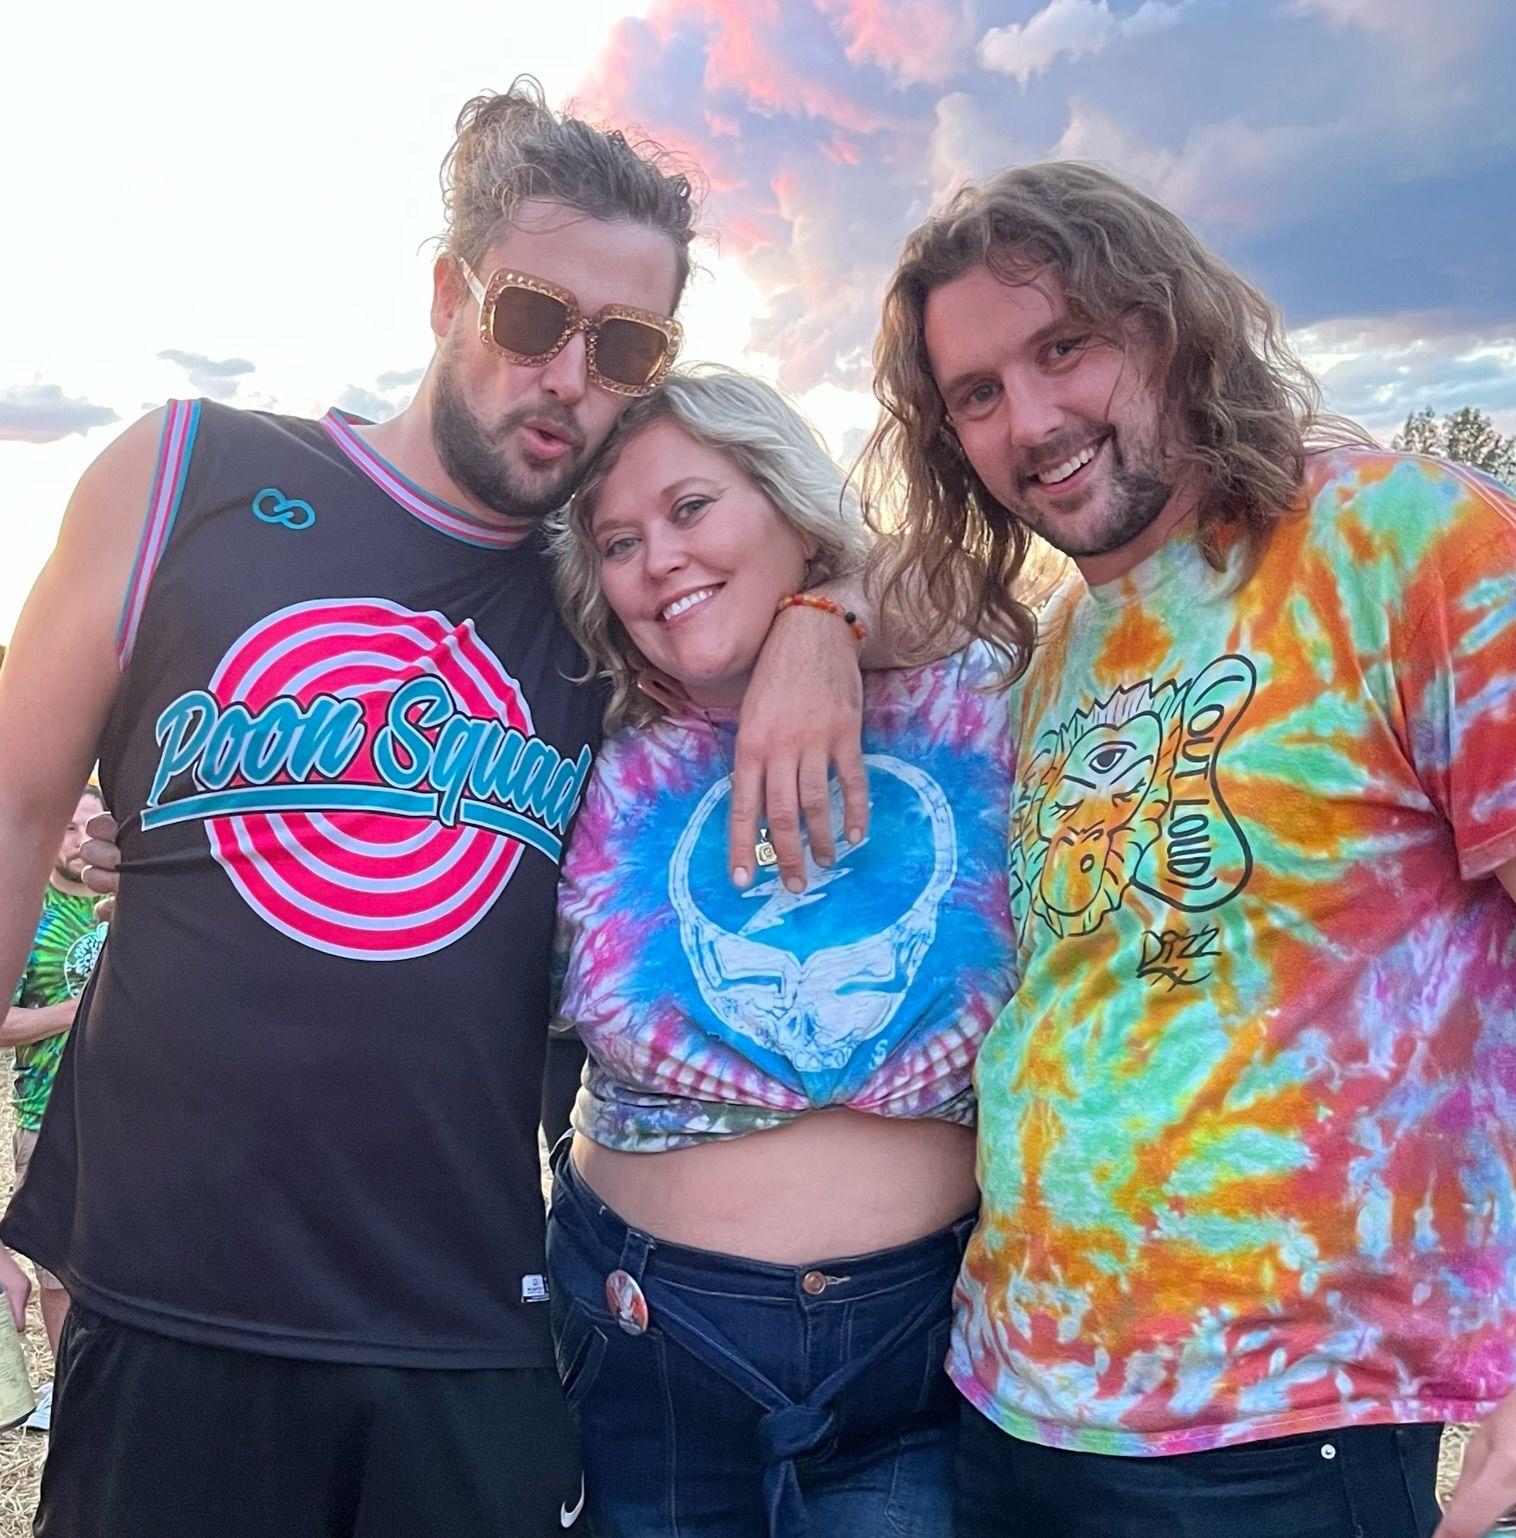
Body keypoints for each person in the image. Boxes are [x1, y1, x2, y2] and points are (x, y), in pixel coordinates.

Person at [0, 77, 885, 1538]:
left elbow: (911, 563)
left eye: (626, 346)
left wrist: (822, 612)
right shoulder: (189, 471)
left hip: (471, 1323)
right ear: (445, 295)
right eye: (535, 318)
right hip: (172, 1302)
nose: (572, 377)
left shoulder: (604, 597)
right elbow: (20, 812)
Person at [856, 160, 1516, 1538]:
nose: (1030, 420)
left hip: (1298, 1429)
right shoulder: (1059, 650)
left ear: (1170, 325)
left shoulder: (1404, 543)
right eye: (976, 393)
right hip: (1011, 1404)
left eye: (1064, 347)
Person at [541, 365, 1016, 1537]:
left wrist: (827, 616)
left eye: (692, 507)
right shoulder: (584, 728)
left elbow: (976, 562)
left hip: (914, 1349)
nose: (658, 558)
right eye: (617, 541)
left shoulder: (976, 691)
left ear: (791, 504)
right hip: (646, 1343)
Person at [3, 786, 108, 1382]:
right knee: (58, 1273)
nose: (79, 841)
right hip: (48, 1117)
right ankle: (71, 1391)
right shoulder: (25, 916)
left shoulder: (135, 905)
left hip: (136, 1113)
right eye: (67, 828)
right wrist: (80, 1008)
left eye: (92, 827)